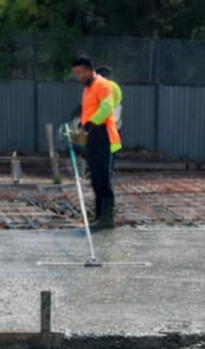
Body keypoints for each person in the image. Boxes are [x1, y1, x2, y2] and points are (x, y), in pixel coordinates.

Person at [72, 57, 121, 231]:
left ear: (88, 70)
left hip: (104, 136)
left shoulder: (103, 85)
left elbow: (106, 108)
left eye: (79, 72)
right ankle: (100, 216)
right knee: (95, 181)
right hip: (93, 137)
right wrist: (79, 129)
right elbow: (87, 112)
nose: (77, 76)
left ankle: (107, 219)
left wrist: (89, 125)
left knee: (102, 180)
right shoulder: (87, 89)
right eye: (75, 73)